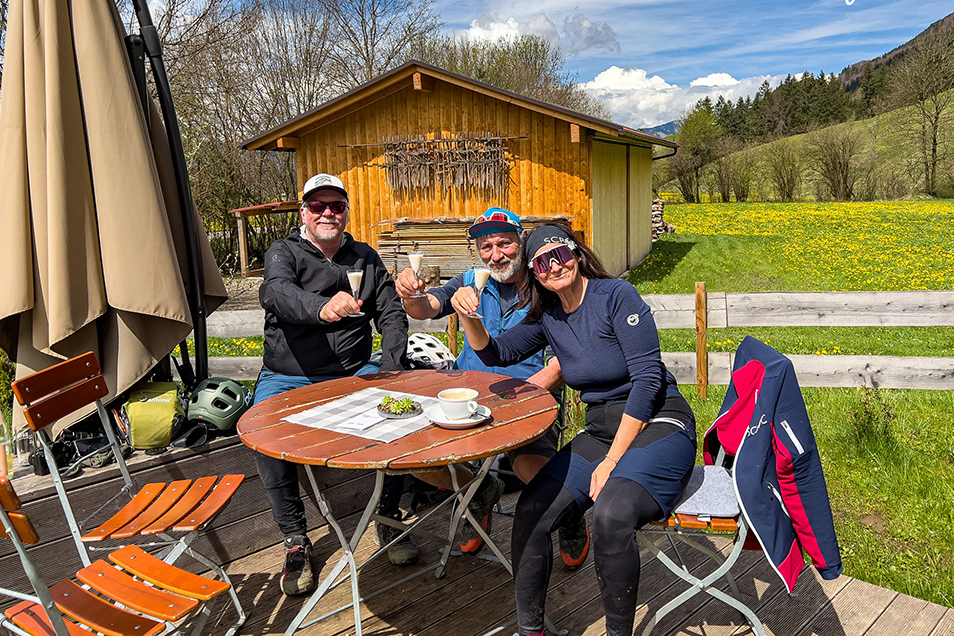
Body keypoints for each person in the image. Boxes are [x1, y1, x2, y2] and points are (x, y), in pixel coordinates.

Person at [453, 223, 697, 636]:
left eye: (560, 253)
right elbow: (496, 352)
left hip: (658, 422)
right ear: (532, 272)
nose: (554, 265)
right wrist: (468, 316)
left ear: (576, 254)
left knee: (611, 513)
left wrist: (613, 462)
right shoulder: (548, 315)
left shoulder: (616, 296)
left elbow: (648, 381)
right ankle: (532, 631)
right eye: (541, 262)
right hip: (602, 429)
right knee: (531, 510)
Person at [394, 208, 590, 567]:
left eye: (504, 243)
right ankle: (477, 489)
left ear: (521, 243)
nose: (495, 254)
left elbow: (563, 360)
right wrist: (409, 293)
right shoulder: (470, 280)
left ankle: (568, 512)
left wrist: (527, 395)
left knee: (529, 462)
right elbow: (426, 308)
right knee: (410, 453)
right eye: (486, 246)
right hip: (468, 397)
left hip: (531, 397)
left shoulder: (545, 282)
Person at [253, 173, 415, 597]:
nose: (327, 213)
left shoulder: (364, 256)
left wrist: (391, 371)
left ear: (345, 211)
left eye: (336, 206)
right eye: (317, 206)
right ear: (303, 211)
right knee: (264, 438)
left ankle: (387, 517)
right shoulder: (283, 251)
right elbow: (276, 294)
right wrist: (322, 307)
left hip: (354, 372)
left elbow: (392, 314)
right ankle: (295, 539)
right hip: (289, 374)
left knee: (398, 426)